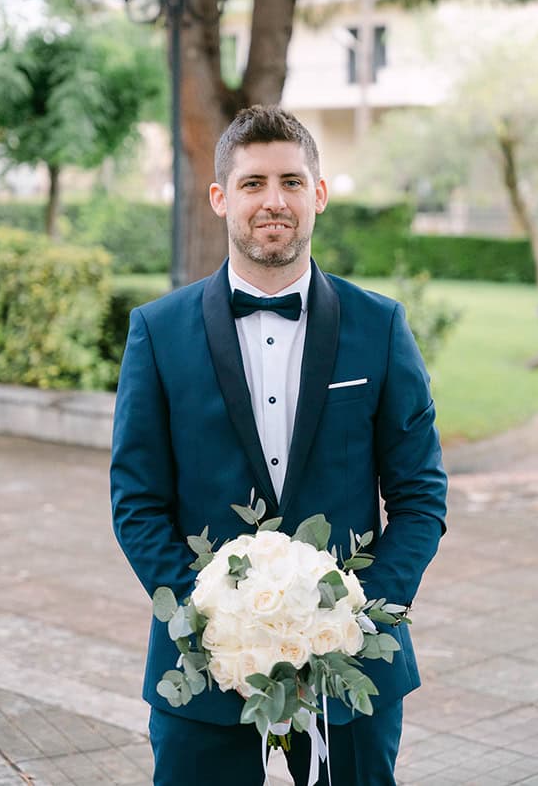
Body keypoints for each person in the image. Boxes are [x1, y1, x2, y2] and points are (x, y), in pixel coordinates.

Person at [110, 105, 447, 786]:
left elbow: (419, 496)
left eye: (292, 181)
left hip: (350, 673)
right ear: (220, 198)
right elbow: (137, 502)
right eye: (253, 183)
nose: (274, 201)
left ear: (318, 194)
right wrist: (216, 623)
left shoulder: (380, 327)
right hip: (203, 667)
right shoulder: (158, 331)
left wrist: (354, 617)